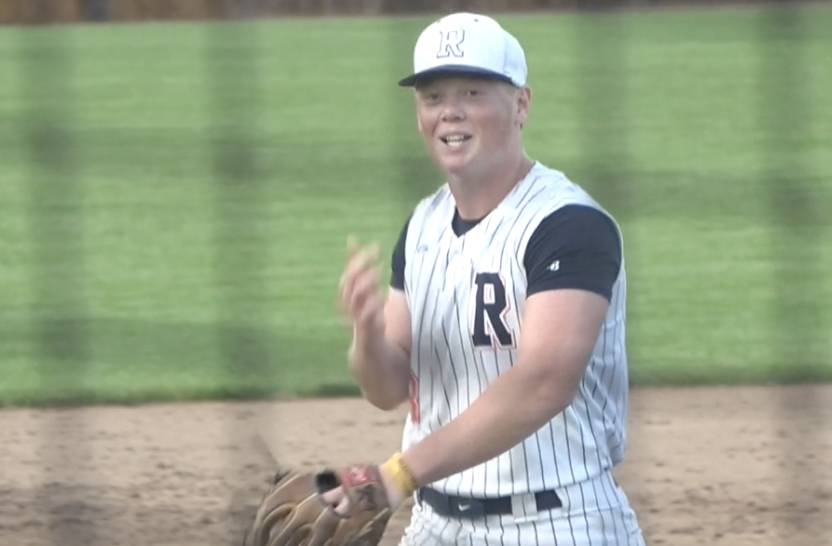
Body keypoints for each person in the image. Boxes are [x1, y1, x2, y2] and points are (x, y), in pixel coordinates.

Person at [328, 11, 646, 546]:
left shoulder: (569, 225)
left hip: (556, 524)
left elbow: (543, 382)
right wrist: (365, 333)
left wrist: (396, 474)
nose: (450, 112)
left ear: (521, 104)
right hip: (435, 526)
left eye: (472, 92)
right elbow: (385, 387)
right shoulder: (423, 227)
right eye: (433, 97)